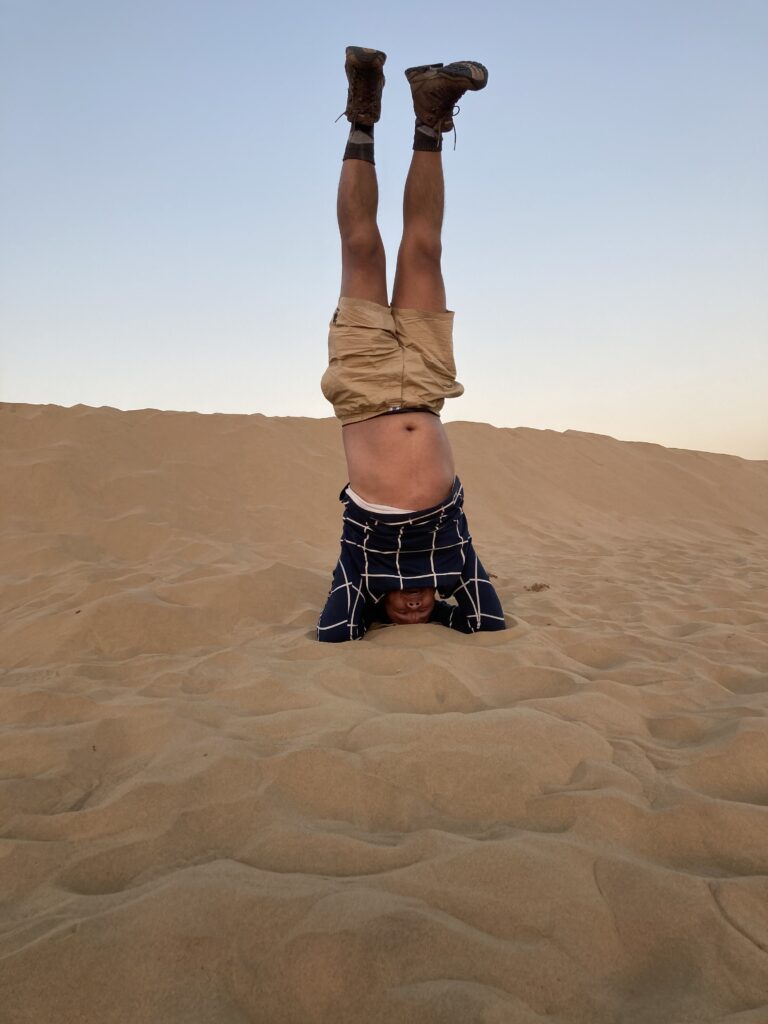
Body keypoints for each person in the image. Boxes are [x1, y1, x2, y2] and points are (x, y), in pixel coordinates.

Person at [317, 46, 506, 643]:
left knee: (362, 247)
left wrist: (370, 604)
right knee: (425, 249)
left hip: (365, 386)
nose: (413, 607)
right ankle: (429, 114)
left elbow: (336, 631)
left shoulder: (360, 562)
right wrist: (450, 608)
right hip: (426, 384)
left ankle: (362, 111)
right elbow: (487, 618)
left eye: (402, 610)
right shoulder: (455, 556)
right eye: (426, 608)